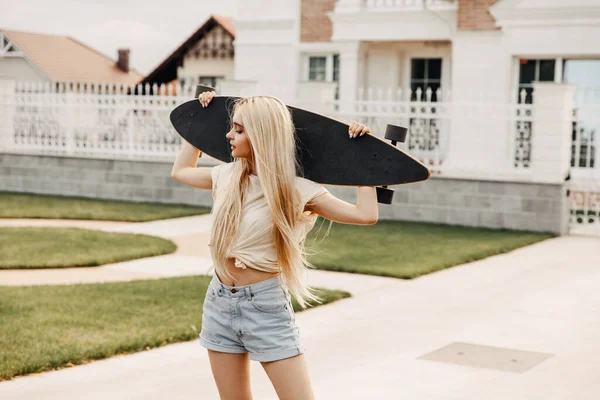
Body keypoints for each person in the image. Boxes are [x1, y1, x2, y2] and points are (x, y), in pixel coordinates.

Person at [171, 90, 378, 400]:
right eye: (232, 127)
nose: (229, 135)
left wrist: (363, 160)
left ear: (262, 136)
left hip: (264, 307)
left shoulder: (296, 189)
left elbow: (365, 215)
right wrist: (198, 122)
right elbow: (180, 171)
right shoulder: (226, 175)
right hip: (219, 301)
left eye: (239, 130)